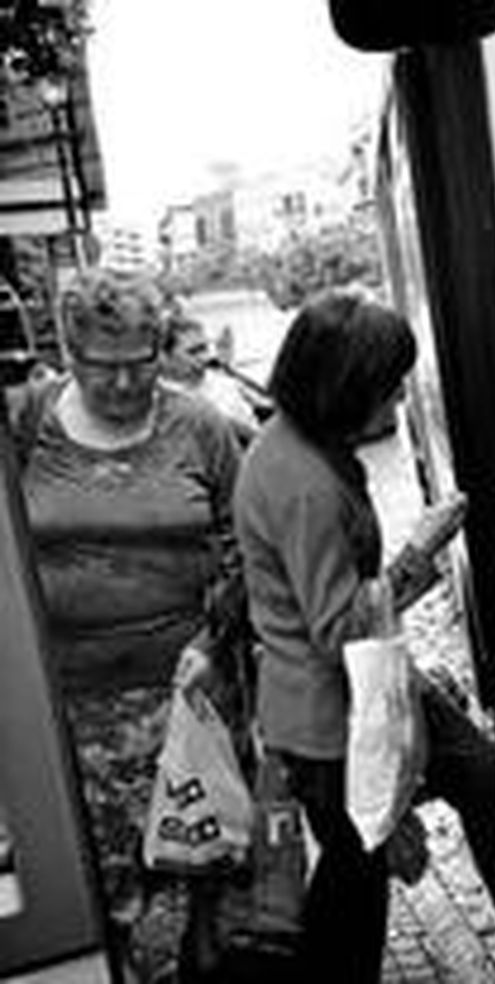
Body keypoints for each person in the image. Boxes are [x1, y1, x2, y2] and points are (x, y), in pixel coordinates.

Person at [232, 290, 495, 981]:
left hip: (343, 700)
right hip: (332, 717)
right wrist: (420, 552)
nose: (396, 403)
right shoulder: (305, 484)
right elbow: (339, 629)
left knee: (464, 791)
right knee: (357, 880)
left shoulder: (294, 443)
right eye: (388, 388)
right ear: (343, 388)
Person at [8, 268, 242, 981]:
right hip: (71, 715)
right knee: (105, 894)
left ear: (159, 349)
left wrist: (215, 641)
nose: (120, 382)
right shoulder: (27, 423)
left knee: (204, 883)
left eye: (139, 362)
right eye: (100, 365)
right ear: (68, 353)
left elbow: (246, 551)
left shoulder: (199, 426)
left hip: (189, 700)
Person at [159, 315, 259, 445]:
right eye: (193, 352)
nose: (204, 357)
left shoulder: (223, 382)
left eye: (204, 348)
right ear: (165, 356)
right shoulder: (160, 400)